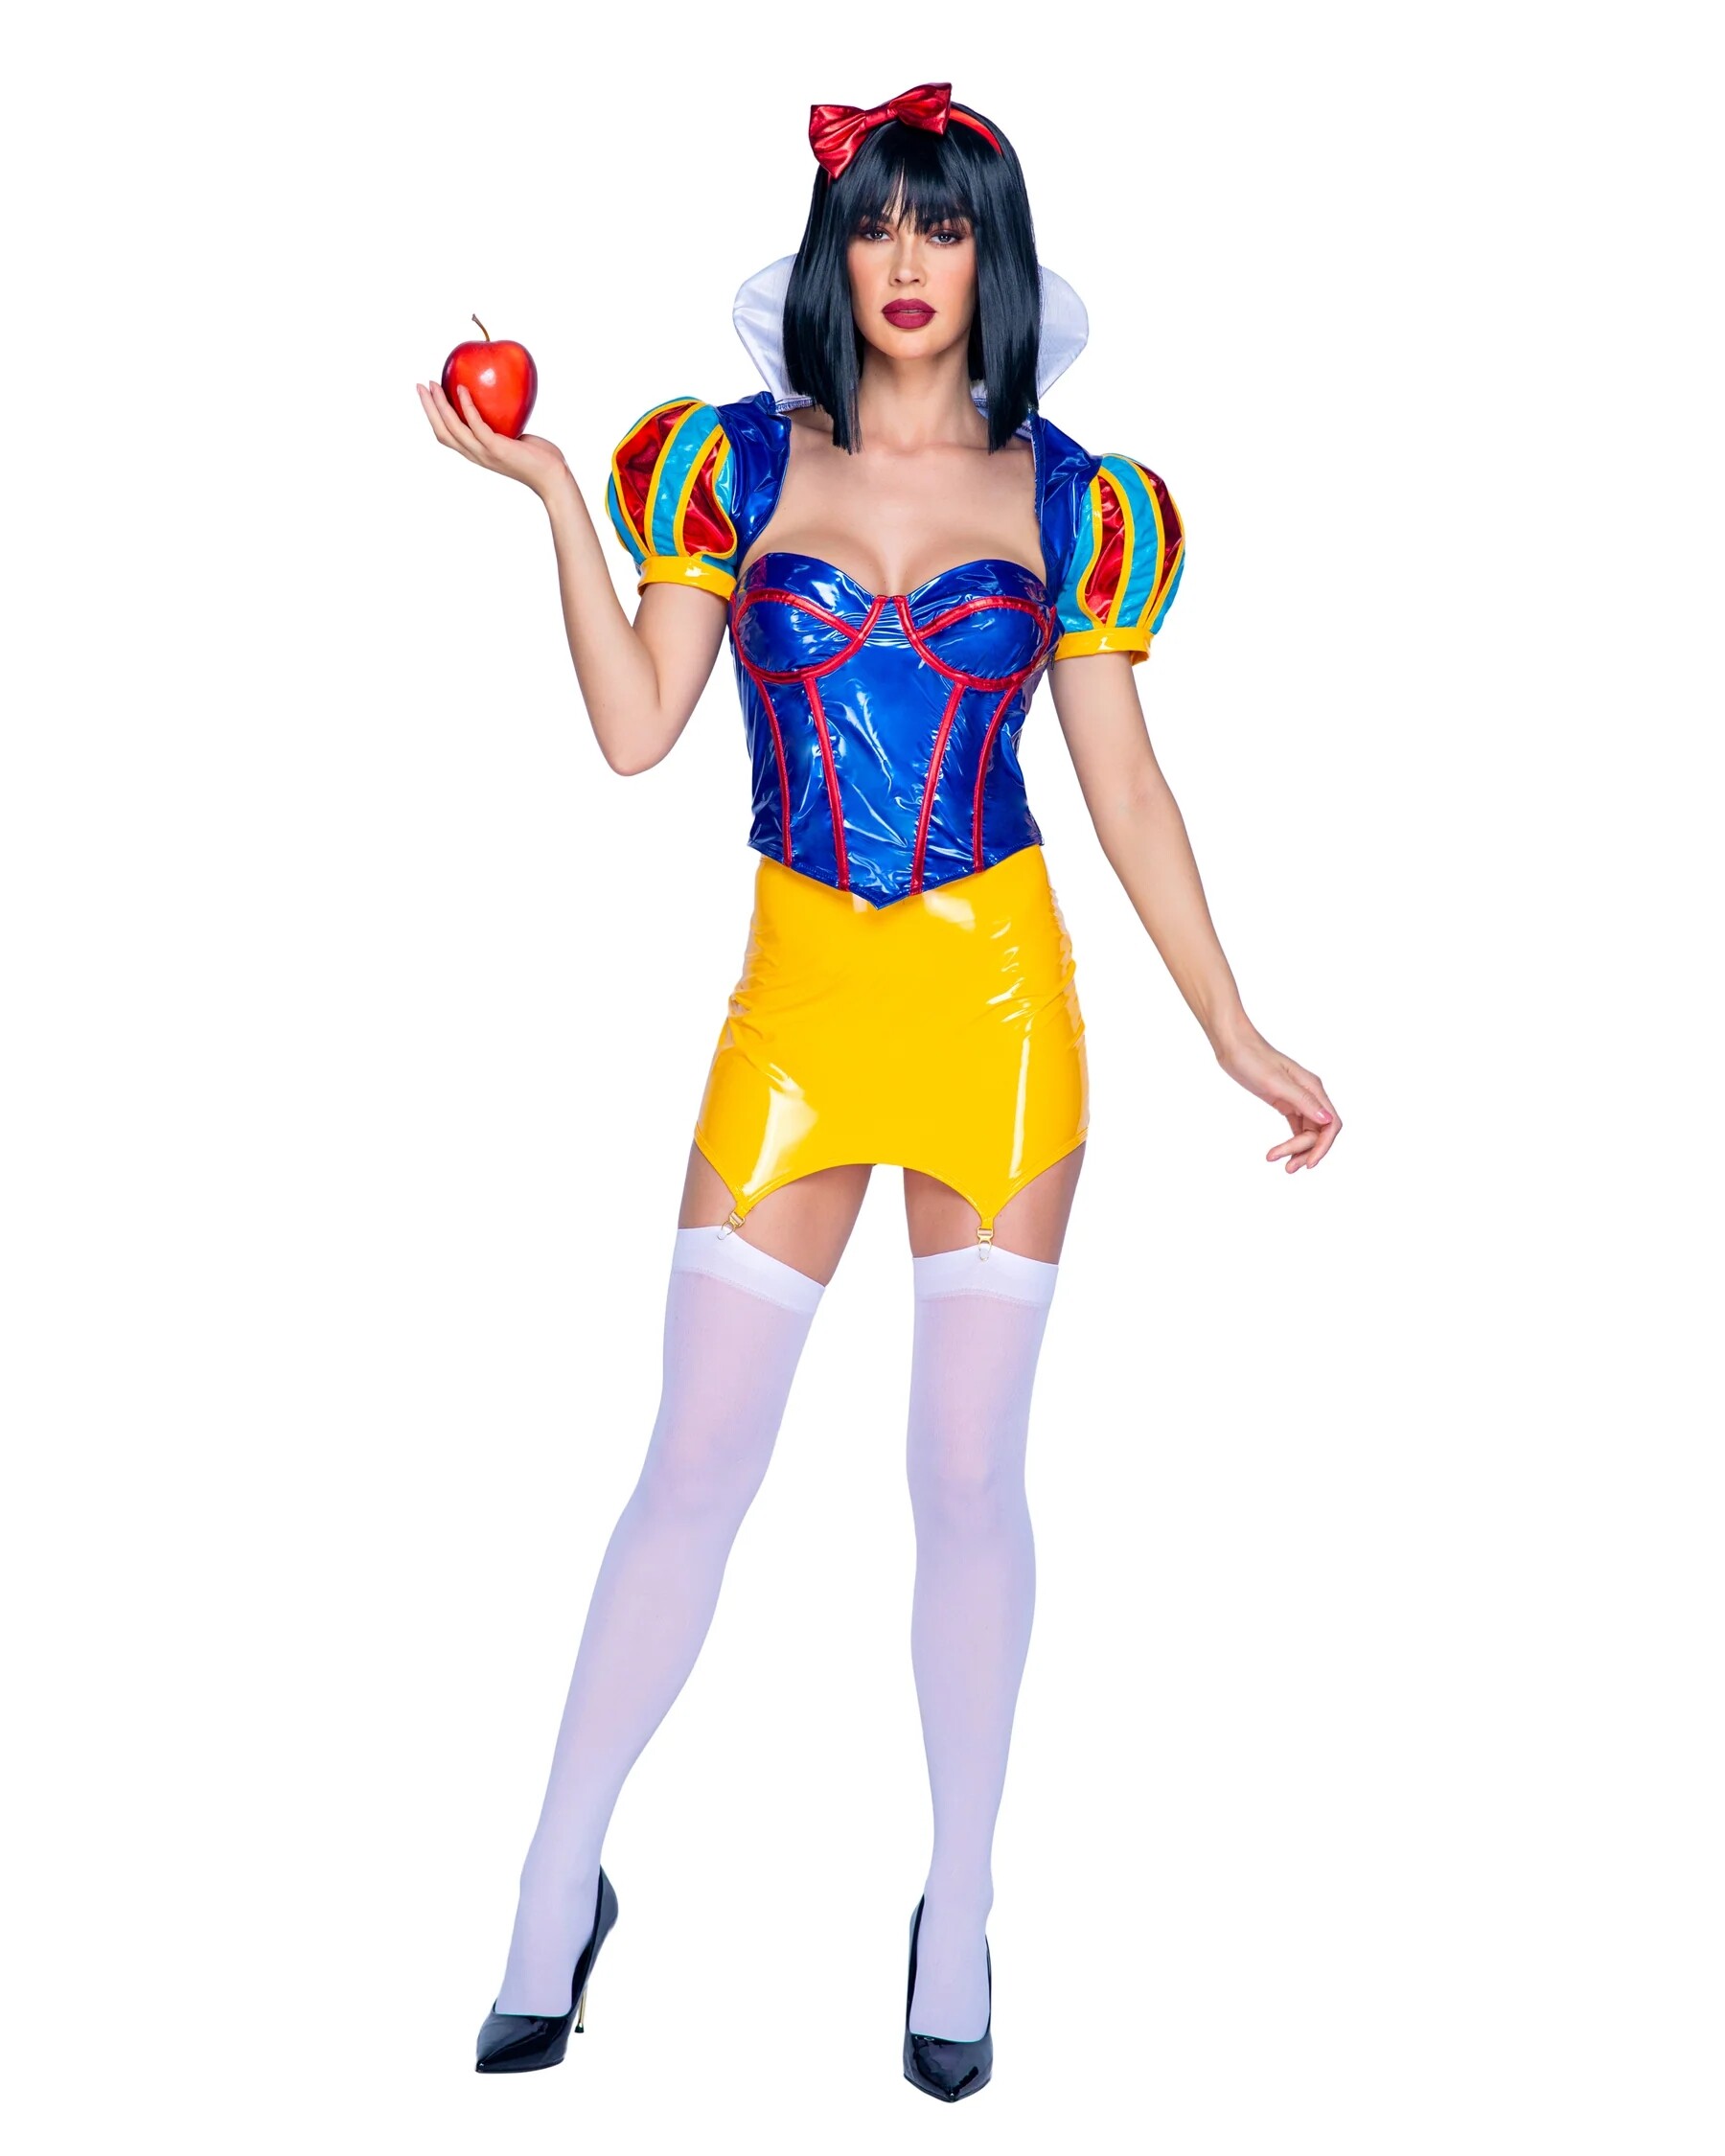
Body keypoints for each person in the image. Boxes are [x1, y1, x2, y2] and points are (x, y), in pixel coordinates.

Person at [416, 80, 1341, 2102]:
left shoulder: (1076, 501)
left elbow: (1124, 787)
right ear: (834, 253)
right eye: (877, 224)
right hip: (798, 1012)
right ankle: (555, 1887)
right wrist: (556, 493)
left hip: (998, 1015)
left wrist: (1232, 1025)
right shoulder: (728, 463)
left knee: (963, 1477)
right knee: (693, 1460)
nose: (908, 263)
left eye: (945, 226)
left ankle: (958, 1909)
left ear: (993, 259)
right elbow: (638, 733)